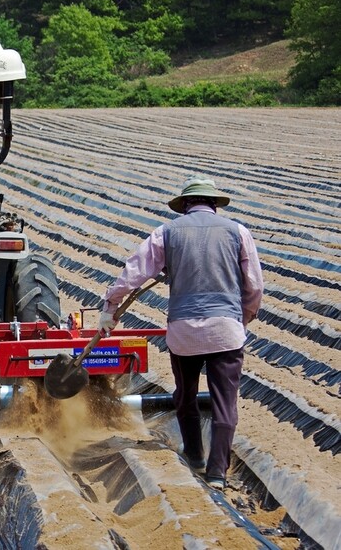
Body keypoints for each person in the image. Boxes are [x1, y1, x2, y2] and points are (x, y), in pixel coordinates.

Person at [98, 175, 263, 491]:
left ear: (185, 204)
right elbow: (254, 286)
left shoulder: (166, 233)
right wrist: (242, 319)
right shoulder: (238, 232)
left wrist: (110, 307)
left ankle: (194, 456)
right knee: (224, 403)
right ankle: (216, 473)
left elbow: (133, 274)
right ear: (214, 204)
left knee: (185, 395)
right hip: (226, 331)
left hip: (183, 332)